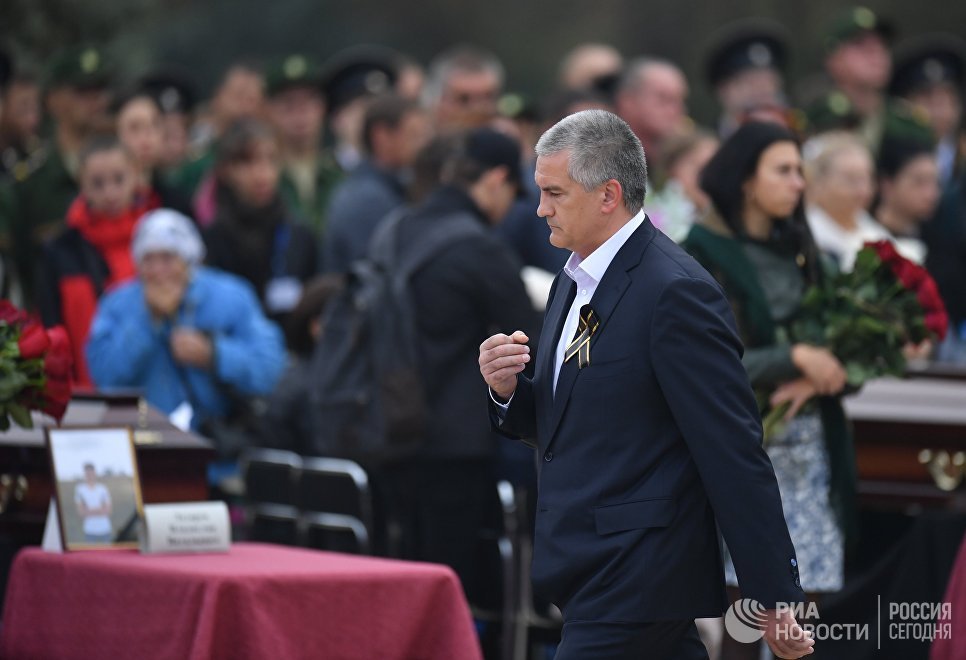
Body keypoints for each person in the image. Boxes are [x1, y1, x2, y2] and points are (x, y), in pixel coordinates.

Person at [479, 110, 811, 659]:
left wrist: (773, 596)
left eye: (554, 193)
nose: (539, 209)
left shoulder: (675, 292)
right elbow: (571, 423)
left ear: (608, 195)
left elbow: (732, 450)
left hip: (637, 573)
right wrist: (510, 391)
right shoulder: (575, 275)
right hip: (589, 568)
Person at [684, 121, 856, 660]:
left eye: (800, 171)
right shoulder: (699, 253)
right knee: (745, 614)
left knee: (807, 613)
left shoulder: (810, 254)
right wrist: (793, 358)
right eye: (783, 171)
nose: (798, 183)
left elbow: (850, 355)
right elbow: (705, 360)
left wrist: (818, 372)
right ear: (744, 181)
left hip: (811, 447)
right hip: (742, 446)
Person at [382, 127, 540, 608]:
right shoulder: (479, 247)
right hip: (455, 442)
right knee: (453, 588)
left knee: (406, 577)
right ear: (495, 180)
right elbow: (530, 337)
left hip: (388, 424)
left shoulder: (395, 227)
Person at [86, 208, 286, 444]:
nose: (158, 272)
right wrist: (147, 322)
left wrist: (214, 354)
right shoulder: (117, 304)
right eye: (148, 259)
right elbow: (103, 376)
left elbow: (270, 369)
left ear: (190, 260)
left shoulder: (232, 296)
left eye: (168, 258)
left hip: (216, 451)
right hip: (144, 447)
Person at [38, 136, 160, 386]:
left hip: (156, 391)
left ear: (136, 175)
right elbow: (52, 330)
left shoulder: (159, 239)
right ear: (81, 184)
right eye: (97, 183)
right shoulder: (60, 250)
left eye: (119, 179)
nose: (110, 192)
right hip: (89, 394)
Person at [203, 118, 319, 327]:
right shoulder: (212, 239)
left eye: (271, 160)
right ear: (226, 170)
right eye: (248, 162)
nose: (262, 173)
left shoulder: (298, 234)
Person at [323, 93, 431, 272]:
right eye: (415, 136)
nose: (424, 146)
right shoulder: (366, 200)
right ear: (381, 136)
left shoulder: (391, 187)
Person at [265, 53, 343, 235]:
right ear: (269, 111)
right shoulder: (263, 176)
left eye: (309, 102)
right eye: (288, 104)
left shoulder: (338, 173)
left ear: (322, 108)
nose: (300, 114)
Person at [803, 130, 895, 270]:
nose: (863, 191)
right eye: (851, 180)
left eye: (866, 179)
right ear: (818, 181)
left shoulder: (875, 232)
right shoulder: (808, 234)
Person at [873, 136, 941, 264]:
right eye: (919, 182)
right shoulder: (864, 235)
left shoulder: (939, 242)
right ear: (887, 185)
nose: (931, 194)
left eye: (935, 182)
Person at [74, 462, 112, 544]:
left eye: (91, 472)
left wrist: (89, 510)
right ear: (84, 474)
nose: (90, 475)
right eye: (87, 473)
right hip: (89, 530)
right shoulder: (80, 489)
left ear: (95, 473)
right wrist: (99, 510)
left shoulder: (103, 488)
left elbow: (108, 511)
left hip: (105, 529)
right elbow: (81, 512)